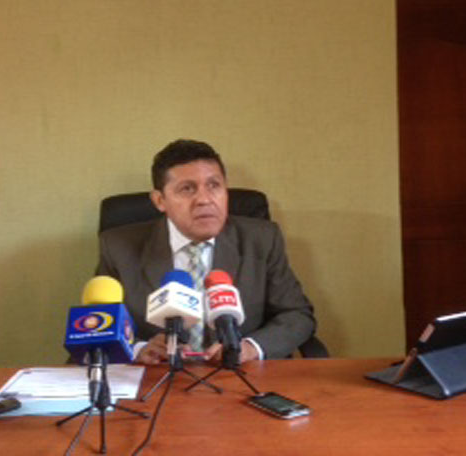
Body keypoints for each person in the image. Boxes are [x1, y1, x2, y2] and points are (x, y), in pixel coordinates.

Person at [96, 139, 316, 364]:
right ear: (160, 200)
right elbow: (101, 324)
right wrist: (139, 349)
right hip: (159, 374)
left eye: (214, 185)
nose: (204, 199)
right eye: (187, 188)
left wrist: (250, 348)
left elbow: (296, 315)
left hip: (236, 373)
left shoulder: (262, 239)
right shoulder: (118, 247)